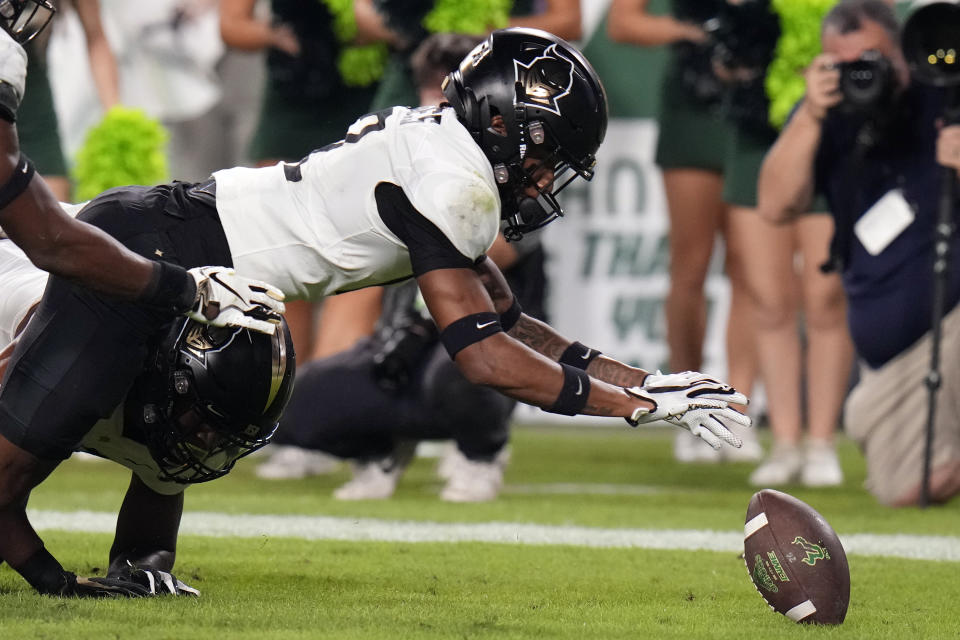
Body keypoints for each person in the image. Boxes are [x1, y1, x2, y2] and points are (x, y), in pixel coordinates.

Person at [0, 28, 754, 596]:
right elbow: (484, 356)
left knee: (195, 414)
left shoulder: (443, 151)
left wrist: (649, 384)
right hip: (157, 253)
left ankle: (138, 569)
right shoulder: (454, 183)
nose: (545, 177)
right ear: (501, 125)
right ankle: (56, 570)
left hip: (187, 245)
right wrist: (626, 410)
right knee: (18, 457)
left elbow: (508, 318)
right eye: (544, 155)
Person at [0, 235, 296, 596]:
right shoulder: (73, 356)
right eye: (205, 423)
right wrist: (51, 578)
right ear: (168, 374)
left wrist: (140, 571)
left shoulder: (168, 402)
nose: (207, 443)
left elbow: (148, 547)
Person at [757, 0, 960, 505]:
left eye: (873, 58)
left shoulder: (947, 98)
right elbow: (776, 204)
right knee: (908, 490)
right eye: (844, 64)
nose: (862, 73)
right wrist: (811, 112)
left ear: (903, 51)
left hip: (952, 325)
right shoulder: (835, 118)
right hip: (894, 360)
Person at [0, 3, 285, 333]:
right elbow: (52, 240)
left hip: (32, 110)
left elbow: (97, 38)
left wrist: (114, 114)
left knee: (42, 277)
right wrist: (186, 291)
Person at [704, 0, 854, 488]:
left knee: (825, 297)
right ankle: (786, 442)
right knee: (768, 298)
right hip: (756, 133)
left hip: (836, 135)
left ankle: (821, 443)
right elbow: (724, 43)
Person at [607, 0, 761, 465]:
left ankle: (738, 406)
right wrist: (695, 32)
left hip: (757, 101)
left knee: (750, 267)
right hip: (692, 106)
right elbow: (624, 22)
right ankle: (690, 405)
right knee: (689, 266)